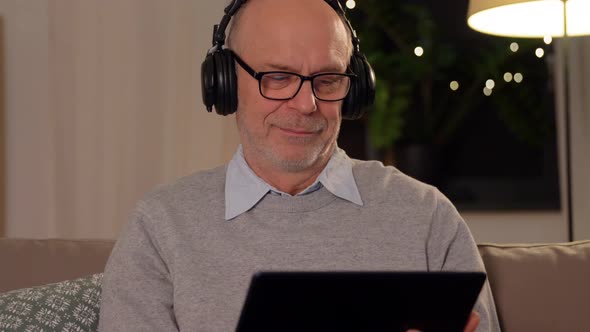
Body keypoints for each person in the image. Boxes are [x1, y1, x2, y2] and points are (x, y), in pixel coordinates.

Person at [98, 0, 500, 331]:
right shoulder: (160, 225)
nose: (306, 104)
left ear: (354, 88)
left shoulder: (427, 218)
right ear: (224, 82)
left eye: (327, 80)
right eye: (278, 77)